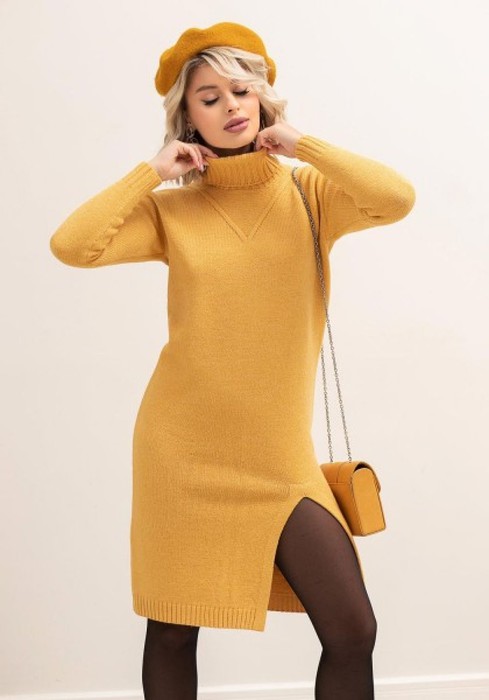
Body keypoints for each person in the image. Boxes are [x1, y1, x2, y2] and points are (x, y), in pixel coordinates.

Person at [49, 21, 416, 700]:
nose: (230, 107)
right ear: (188, 117)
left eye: (241, 90)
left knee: (351, 629)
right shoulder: (173, 213)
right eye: (209, 97)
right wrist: (152, 172)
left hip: (280, 459)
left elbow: (395, 198)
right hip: (182, 452)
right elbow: (73, 246)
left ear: (263, 97)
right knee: (172, 631)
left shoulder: (310, 194)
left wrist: (301, 144)